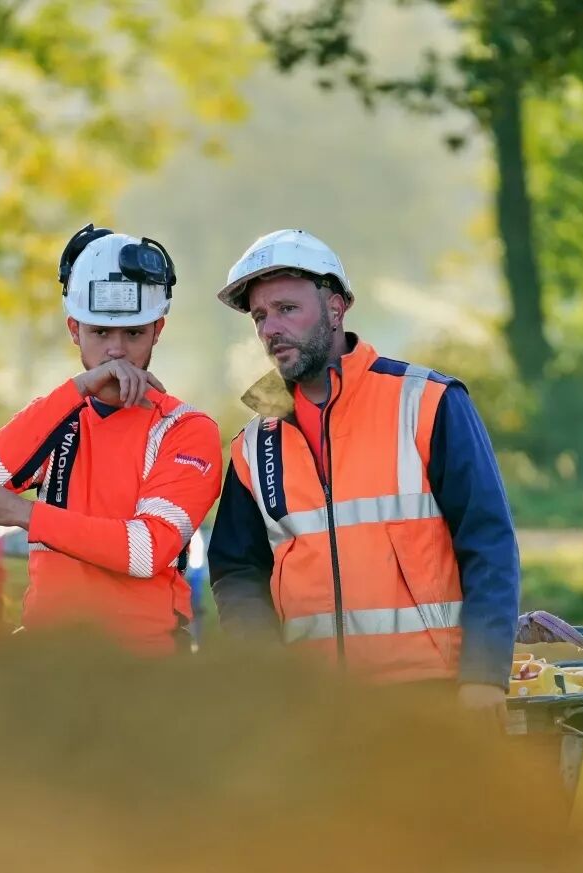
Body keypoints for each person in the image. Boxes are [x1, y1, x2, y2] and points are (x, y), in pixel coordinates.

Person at [205, 228, 520, 712]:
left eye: (287, 309)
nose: (270, 329)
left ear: (336, 309)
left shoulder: (428, 402)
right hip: (313, 709)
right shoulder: (254, 444)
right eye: (261, 316)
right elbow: (236, 571)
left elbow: (488, 543)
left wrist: (484, 676)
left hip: (431, 695)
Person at [0, 225, 222, 655]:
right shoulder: (59, 413)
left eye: (133, 333)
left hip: (144, 667)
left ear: (158, 330)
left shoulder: (186, 429)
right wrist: (77, 390)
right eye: (100, 332)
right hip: (47, 660)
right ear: (74, 328)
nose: (116, 351)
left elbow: (145, 550)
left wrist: (26, 515)